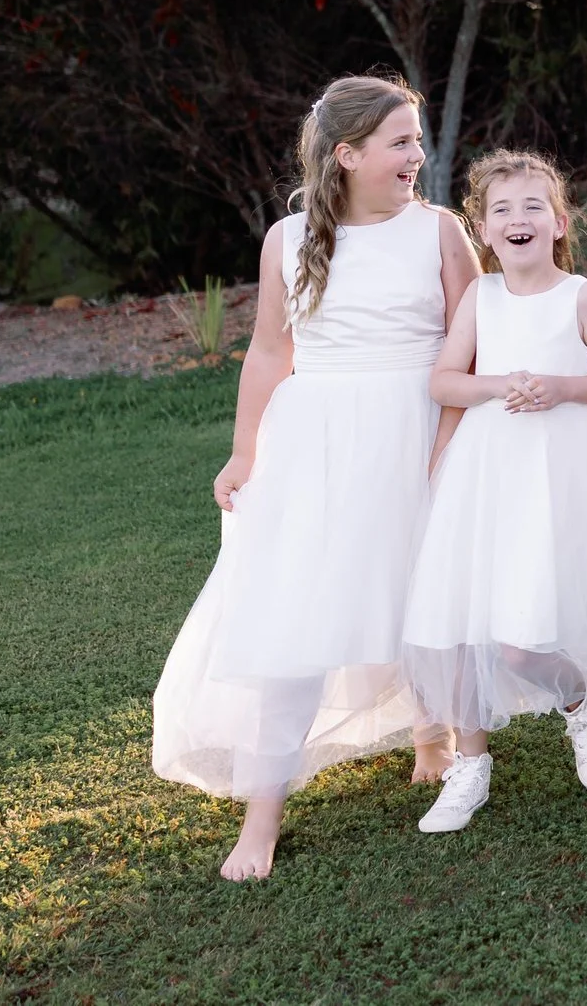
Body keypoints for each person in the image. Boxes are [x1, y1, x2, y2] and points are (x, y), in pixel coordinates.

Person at [152, 75, 480, 880]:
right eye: (400, 142)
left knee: (419, 587)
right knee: (299, 608)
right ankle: (262, 813)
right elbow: (271, 349)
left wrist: (452, 442)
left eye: (416, 140)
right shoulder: (287, 237)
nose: (418, 156)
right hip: (319, 442)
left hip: (416, 425)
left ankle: (436, 736)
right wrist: (243, 450)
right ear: (347, 154)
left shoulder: (440, 231)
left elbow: (473, 344)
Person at [402, 150, 587, 834]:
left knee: (523, 640)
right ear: (483, 228)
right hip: (484, 468)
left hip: (556, 469)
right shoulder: (480, 297)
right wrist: (500, 385)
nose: (517, 219)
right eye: (501, 209)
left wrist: (562, 386)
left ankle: (581, 697)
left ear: (558, 222)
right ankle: (470, 766)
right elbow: (444, 381)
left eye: (533, 207)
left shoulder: (578, 295)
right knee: (457, 626)